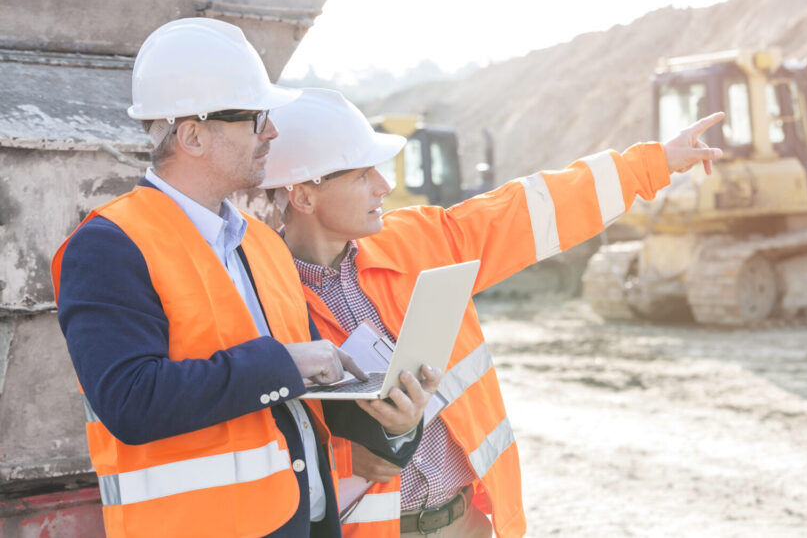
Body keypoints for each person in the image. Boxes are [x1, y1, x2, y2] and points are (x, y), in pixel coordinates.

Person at [258, 88, 724, 537]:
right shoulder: (259, 297)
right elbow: (247, 436)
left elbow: (528, 210)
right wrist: (343, 458)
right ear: (303, 196)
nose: (384, 185)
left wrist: (652, 164)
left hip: (468, 524)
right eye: (362, 175)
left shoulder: (419, 241)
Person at [51, 19, 438, 538]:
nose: (272, 133)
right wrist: (285, 363)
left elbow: (305, 393)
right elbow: (130, 400)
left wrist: (394, 421)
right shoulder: (109, 245)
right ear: (192, 135)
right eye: (257, 118)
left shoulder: (261, 243)